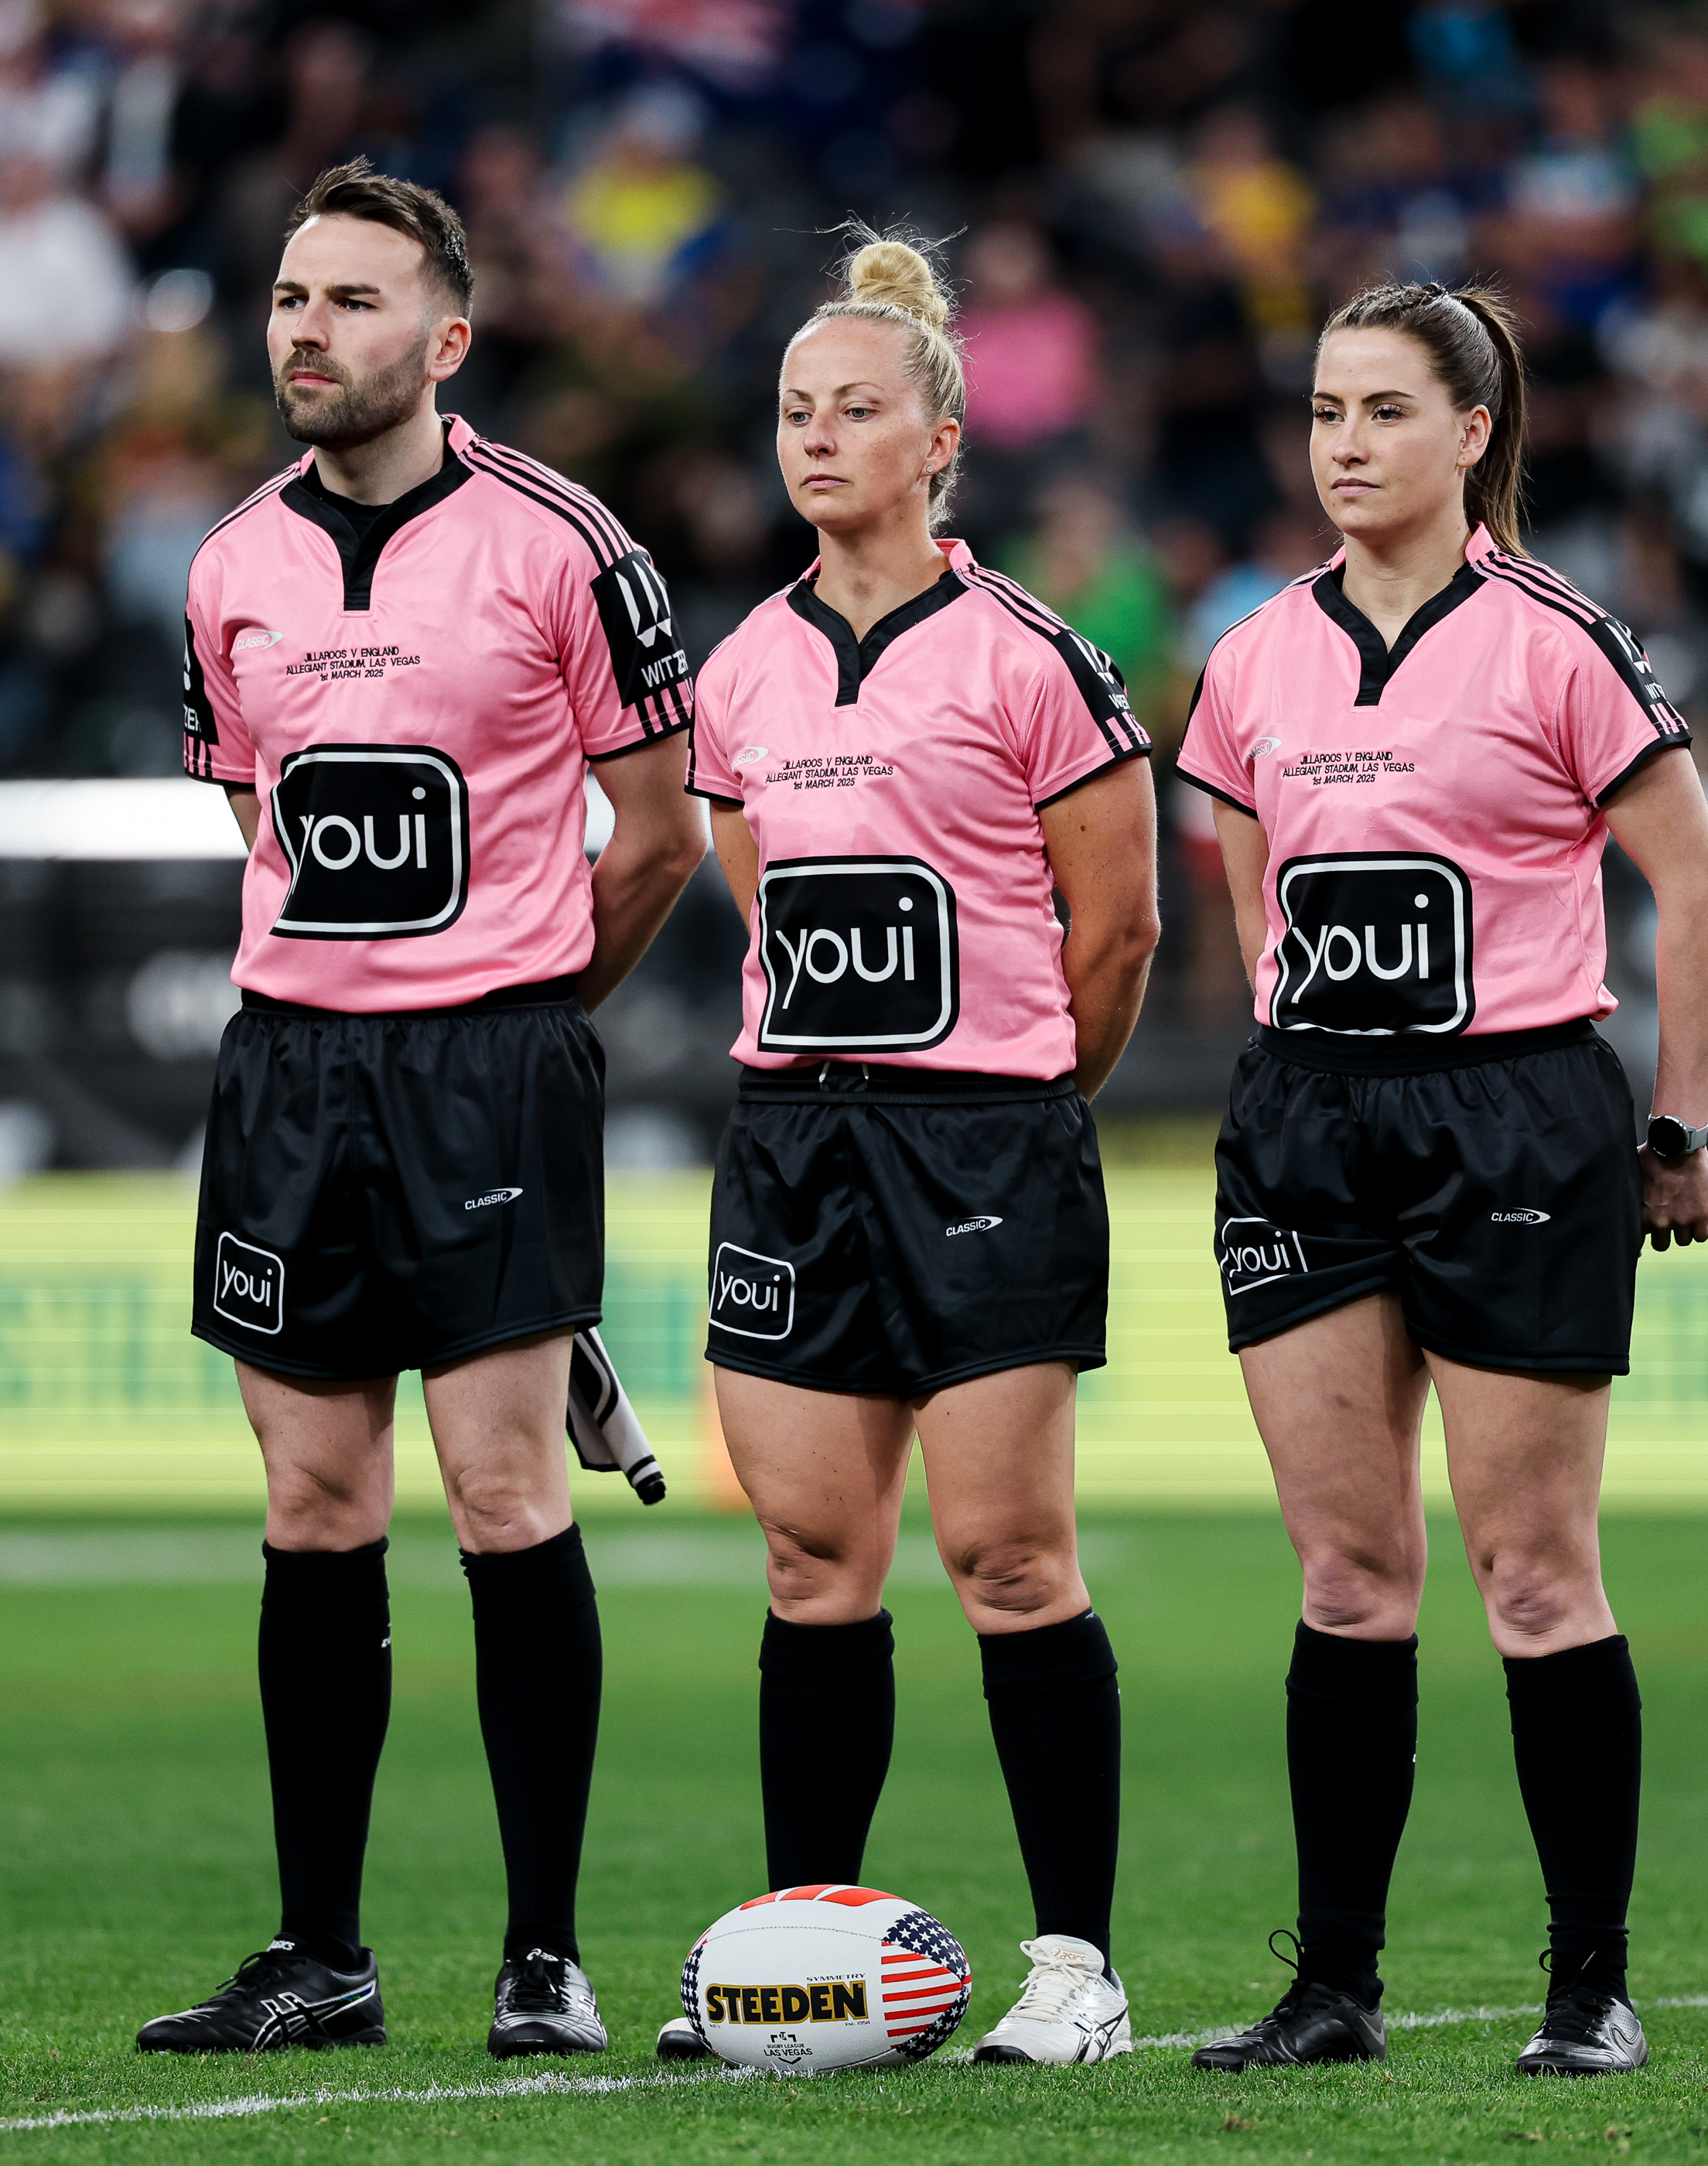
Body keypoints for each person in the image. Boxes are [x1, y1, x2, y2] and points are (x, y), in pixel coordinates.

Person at [139, 159, 704, 2060]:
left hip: (493, 1068)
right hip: (293, 1067)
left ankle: (544, 1955)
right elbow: (263, 827)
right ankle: (323, 1954)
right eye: (292, 296)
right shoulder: (228, 569)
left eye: (355, 300)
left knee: (501, 1493)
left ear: (447, 339)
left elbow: (664, 835)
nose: (309, 329)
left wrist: (530, 1007)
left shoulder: (563, 545)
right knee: (314, 1502)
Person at [1173, 281, 1708, 2078]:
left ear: (1473, 434)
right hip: (1311, 1126)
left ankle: (1591, 1986)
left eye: (1386, 412)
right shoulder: (1254, 654)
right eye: (1327, 412)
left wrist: (1681, 1125)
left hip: (1517, 1121)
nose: (1345, 444)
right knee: (1348, 1578)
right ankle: (1333, 1987)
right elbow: (1251, 891)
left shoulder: (1563, 640)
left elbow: (1697, 890)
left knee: (1534, 1573)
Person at [651, 234, 1160, 2068]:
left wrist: (1024, 1097)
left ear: (941, 437)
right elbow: (754, 903)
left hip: (987, 1138)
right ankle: (796, 1953)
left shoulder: (1034, 657)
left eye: (857, 407)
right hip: (797, 1135)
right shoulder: (746, 670)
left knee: (1011, 1556)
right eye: (795, 410)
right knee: (811, 1557)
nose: (818, 436)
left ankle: (1075, 1969)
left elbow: (1118, 936)